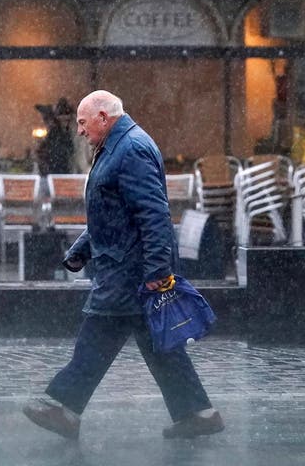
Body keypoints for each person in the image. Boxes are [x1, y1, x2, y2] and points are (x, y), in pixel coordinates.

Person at [22, 90, 224, 440]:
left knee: (99, 333)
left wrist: (159, 272)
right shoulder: (118, 148)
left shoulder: (131, 150)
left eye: (83, 123)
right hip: (125, 266)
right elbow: (112, 211)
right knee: (158, 347)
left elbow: (154, 214)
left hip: (130, 271)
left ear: (103, 117)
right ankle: (197, 412)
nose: (80, 132)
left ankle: (62, 405)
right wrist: (82, 248)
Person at [34, 98, 75, 175]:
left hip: (57, 169)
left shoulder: (57, 133)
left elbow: (67, 150)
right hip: (57, 169)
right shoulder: (56, 133)